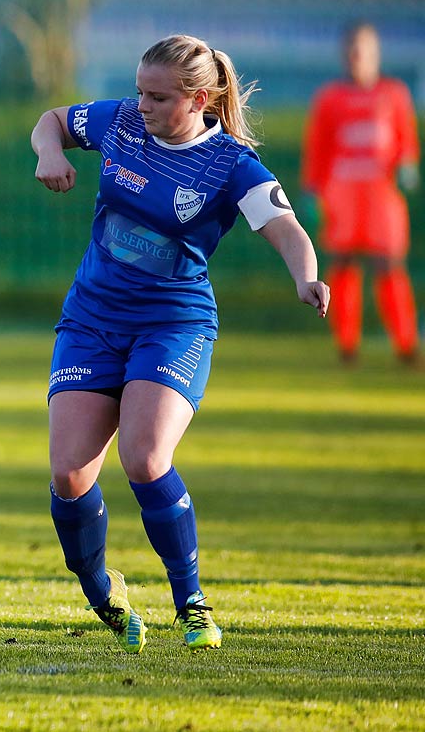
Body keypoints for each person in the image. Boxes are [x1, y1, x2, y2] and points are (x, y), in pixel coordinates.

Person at [30, 34, 328, 653]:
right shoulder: (120, 122)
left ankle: (192, 604)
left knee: (144, 458)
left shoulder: (231, 165)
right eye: (139, 91)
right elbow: (51, 121)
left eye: (158, 97)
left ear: (199, 99)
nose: (141, 105)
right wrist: (49, 154)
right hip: (91, 319)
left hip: (173, 325)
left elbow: (286, 227)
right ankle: (102, 593)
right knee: (68, 473)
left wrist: (307, 277)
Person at [302, 22, 419, 364]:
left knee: (389, 266)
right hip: (342, 195)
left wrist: (407, 163)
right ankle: (347, 345)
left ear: (374, 54)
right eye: (352, 51)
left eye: (363, 51)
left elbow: (404, 140)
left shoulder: (394, 94)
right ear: (345, 55)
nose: (357, 58)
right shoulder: (329, 98)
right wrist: (312, 191)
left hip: (382, 195)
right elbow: (318, 150)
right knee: (344, 265)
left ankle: (405, 345)